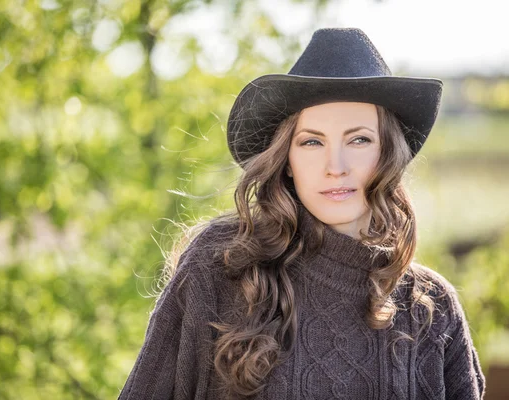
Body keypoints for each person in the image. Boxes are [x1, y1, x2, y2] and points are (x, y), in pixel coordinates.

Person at [117, 28, 486, 400]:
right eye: (312, 141)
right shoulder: (220, 266)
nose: (335, 166)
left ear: (387, 152)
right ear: (288, 160)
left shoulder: (432, 308)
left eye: (359, 139)